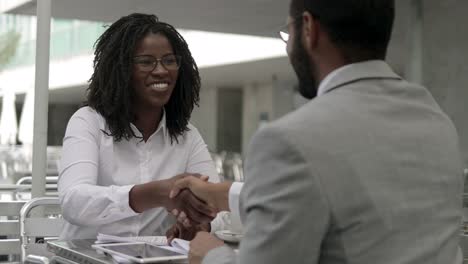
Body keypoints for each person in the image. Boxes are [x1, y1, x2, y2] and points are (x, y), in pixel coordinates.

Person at [169, 0, 464, 263]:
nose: (287, 46)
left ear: (309, 28)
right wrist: (215, 194)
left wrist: (209, 253)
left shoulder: (289, 140)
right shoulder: (435, 120)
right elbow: (343, 194)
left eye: (288, 32)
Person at [58, 13, 222, 240]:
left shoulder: (188, 136)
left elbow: (219, 207)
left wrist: (198, 226)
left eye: (169, 60)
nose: (161, 70)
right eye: (146, 61)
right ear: (121, 70)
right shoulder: (87, 121)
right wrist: (156, 193)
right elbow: (74, 201)